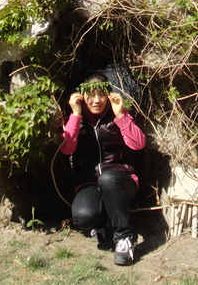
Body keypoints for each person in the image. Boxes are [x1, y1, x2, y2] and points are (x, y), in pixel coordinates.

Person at [61, 73, 146, 265]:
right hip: (90, 182)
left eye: (101, 94)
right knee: (83, 216)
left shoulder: (117, 113)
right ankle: (105, 225)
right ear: (82, 96)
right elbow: (66, 149)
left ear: (108, 95)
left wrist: (120, 115)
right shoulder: (77, 118)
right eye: (91, 95)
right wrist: (76, 114)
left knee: (107, 178)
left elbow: (139, 144)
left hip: (120, 180)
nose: (96, 100)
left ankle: (124, 237)